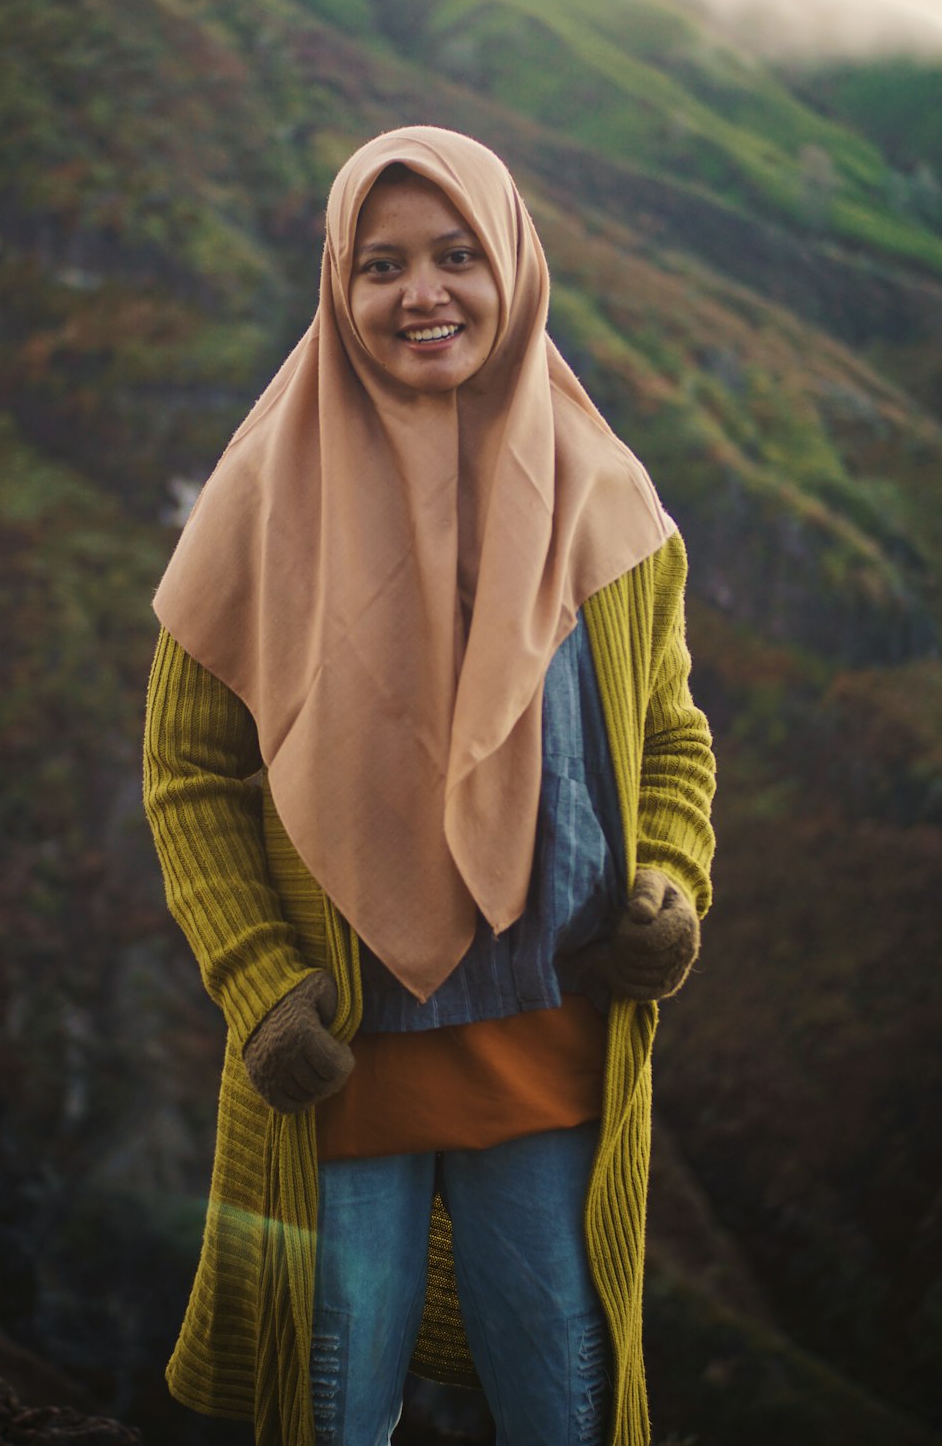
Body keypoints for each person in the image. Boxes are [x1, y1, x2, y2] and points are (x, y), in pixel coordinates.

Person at [143, 126, 716, 1446]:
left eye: (460, 254)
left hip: (551, 1052)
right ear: (336, 287)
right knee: (336, 1404)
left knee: (562, 1400)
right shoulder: (258, 495)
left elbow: (674, 735)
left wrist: (672, 881)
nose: (424, 293)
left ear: (515, 268)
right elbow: (188, 768)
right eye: (382, 264)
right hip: (343, 1069)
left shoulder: (613, 507)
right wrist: (257, 978)